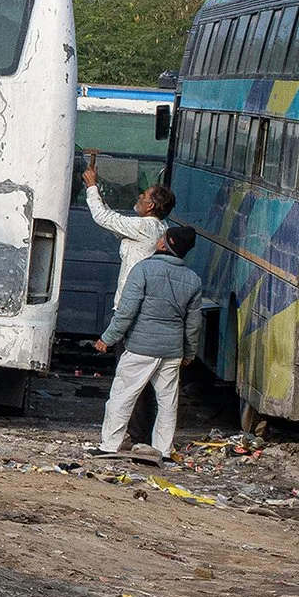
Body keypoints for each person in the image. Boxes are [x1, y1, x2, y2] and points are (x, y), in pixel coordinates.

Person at [92, 223, 204, 462]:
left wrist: (107, 339)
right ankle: (162, 450)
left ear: (164, 243)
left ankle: (109, 445)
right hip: (172, 350)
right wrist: (189, 353)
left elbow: (126, 312)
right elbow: (193, 324)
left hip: (141, 347)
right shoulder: (193, 280)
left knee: (122, 396)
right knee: (167, 402)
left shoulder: (142, 270)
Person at [83, 153, 174, 300]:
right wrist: (97, 193)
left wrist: (92, 187)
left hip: (131, 301)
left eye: (143, 196)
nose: (139, 197)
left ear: (150, 206)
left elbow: (102, 217)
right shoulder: (161, 226)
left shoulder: (143, 227)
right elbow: (113, 221)